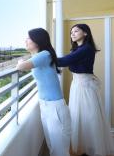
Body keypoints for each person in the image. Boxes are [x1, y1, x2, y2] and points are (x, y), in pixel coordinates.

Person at [57, 23, 114, 156]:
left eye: (76, 31)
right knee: (80, 116)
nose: (72, 33)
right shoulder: (78, 49)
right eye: (71, 32)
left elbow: (63, 61)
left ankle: (92, 149)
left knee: (89, 117)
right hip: (78, 85)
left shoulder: (86, 48)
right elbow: (66, 61)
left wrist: (46, 55)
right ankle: (86, 149)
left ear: (85, 33)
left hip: (84, 86)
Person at [16, 28, 71, 156]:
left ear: (37, 40)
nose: (26, 40)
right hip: (45, 105)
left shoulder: (45, 54)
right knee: (53, 147)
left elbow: (22, 67)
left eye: (28, 38)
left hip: (54, 107)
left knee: (59, 150)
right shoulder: (38, 56)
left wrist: (20, 62)